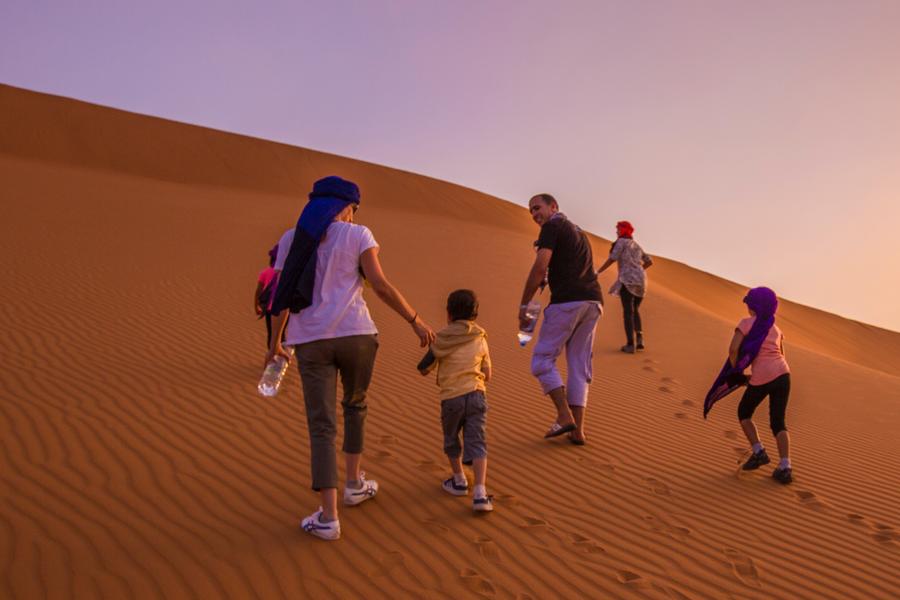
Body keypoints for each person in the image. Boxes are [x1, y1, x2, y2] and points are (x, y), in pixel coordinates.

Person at [266, 175, 436, 540]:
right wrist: (415, 320)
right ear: (346, 206)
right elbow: (379, 284)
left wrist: (274, 343)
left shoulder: (291, 239)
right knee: (356, 406)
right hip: (358, 336)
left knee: (322, 427)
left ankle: (328, 518)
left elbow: (279, 296)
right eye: (354, 208)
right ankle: (355, 483)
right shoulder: (358, 234)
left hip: (310, 341)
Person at [519, 194, 603, 445]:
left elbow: (539, 267)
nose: (534, 214)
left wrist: (524, 305)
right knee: (579, 365)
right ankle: (578, 431)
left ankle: (565, 415)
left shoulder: (552, 226)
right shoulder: (576, 231)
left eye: (537, 208)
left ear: (553, 206)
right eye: (531, 211)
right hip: (593, 303)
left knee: (542, 360)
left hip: (567, 303)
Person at [703, 287, 793, 484]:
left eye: (749, 304)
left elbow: (733, 349)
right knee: (778, 421)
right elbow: (781, 353)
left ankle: (759, 451)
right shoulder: (776, 328)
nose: (747, 307)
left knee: (744, 413)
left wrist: (736, 372)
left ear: (754, 306)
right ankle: (785, 466)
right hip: (784, 375)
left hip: (762, 377)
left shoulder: (746, 324)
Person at [417, 289, 493, 512]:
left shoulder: (442, 338)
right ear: (475, 314)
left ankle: (459, 480)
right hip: (477, 395)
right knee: (477, 441)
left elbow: (423, 368)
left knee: (451, 439)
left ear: (448, 314)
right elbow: (488, 373)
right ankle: (480, 492)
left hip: (451, 398)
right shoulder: (480, 337)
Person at [595, 221, 653, 353]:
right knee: (635, 309)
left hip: (628, 280)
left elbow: (612, 258)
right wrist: (639, 270)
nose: (617, 232)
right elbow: (649, 261)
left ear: (623, 230)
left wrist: (599, 271)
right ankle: (639, 339)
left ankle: (630, 344)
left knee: (628, 312)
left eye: (618, 229)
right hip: (641, 280)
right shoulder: (636, 245)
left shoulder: (621, 242)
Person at [254, 244, 280, 348]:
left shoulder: (265, 272)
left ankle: (272, 356)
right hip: (282, 308)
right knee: (280, 333)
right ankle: (279, 357)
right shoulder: (286, 272)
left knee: (271, 333)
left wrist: (256, 306)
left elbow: (258, 291)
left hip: (269, 308)